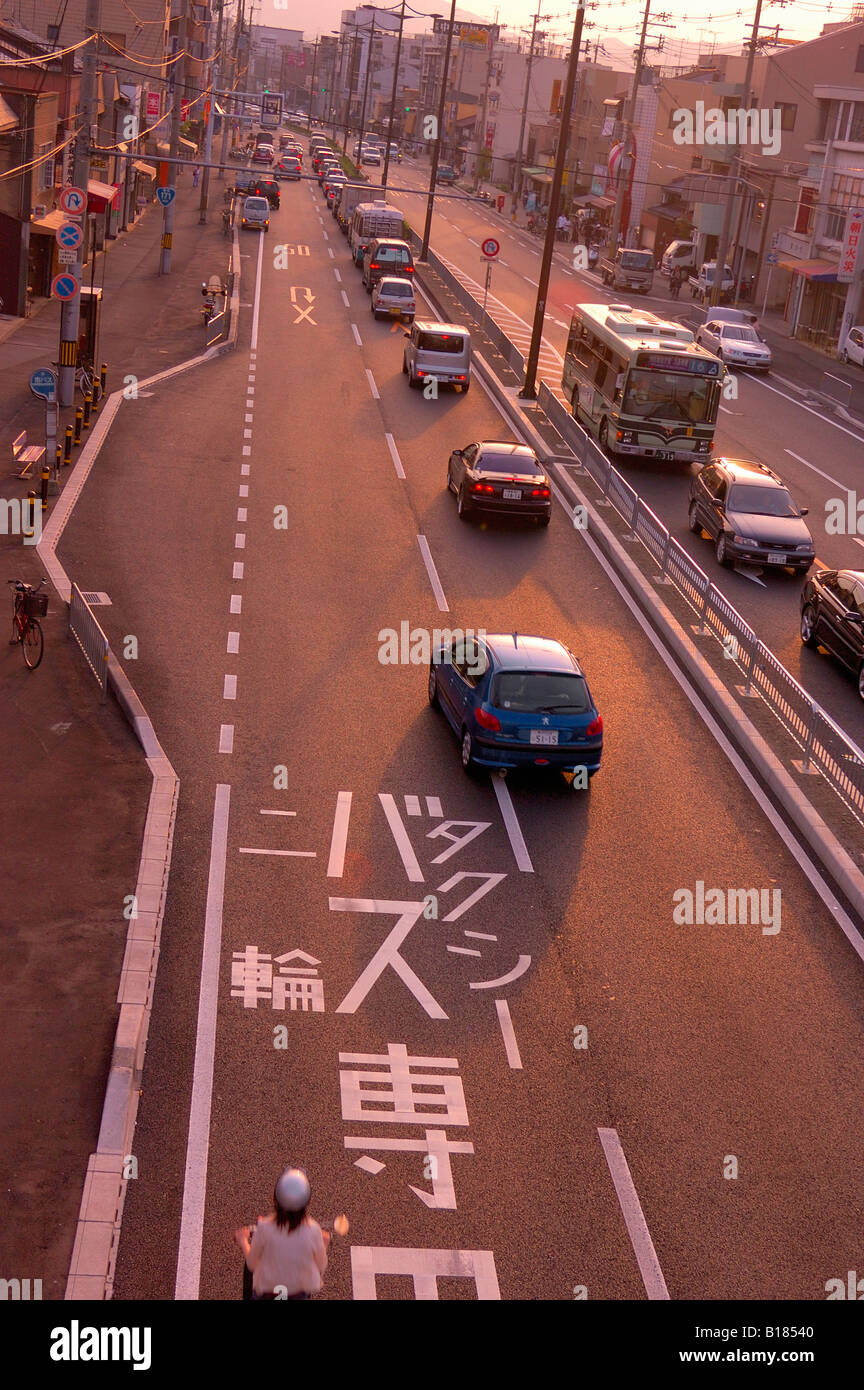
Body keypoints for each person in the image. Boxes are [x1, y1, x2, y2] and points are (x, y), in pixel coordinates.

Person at [235, 1167, 330, 1300]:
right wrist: (323, 1243)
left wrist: (243, 1241)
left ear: (276, 1198)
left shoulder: (265, 1227)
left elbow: (252, 1263)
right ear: (307, 1200)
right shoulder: (313, 1230)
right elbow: (320, 1266)